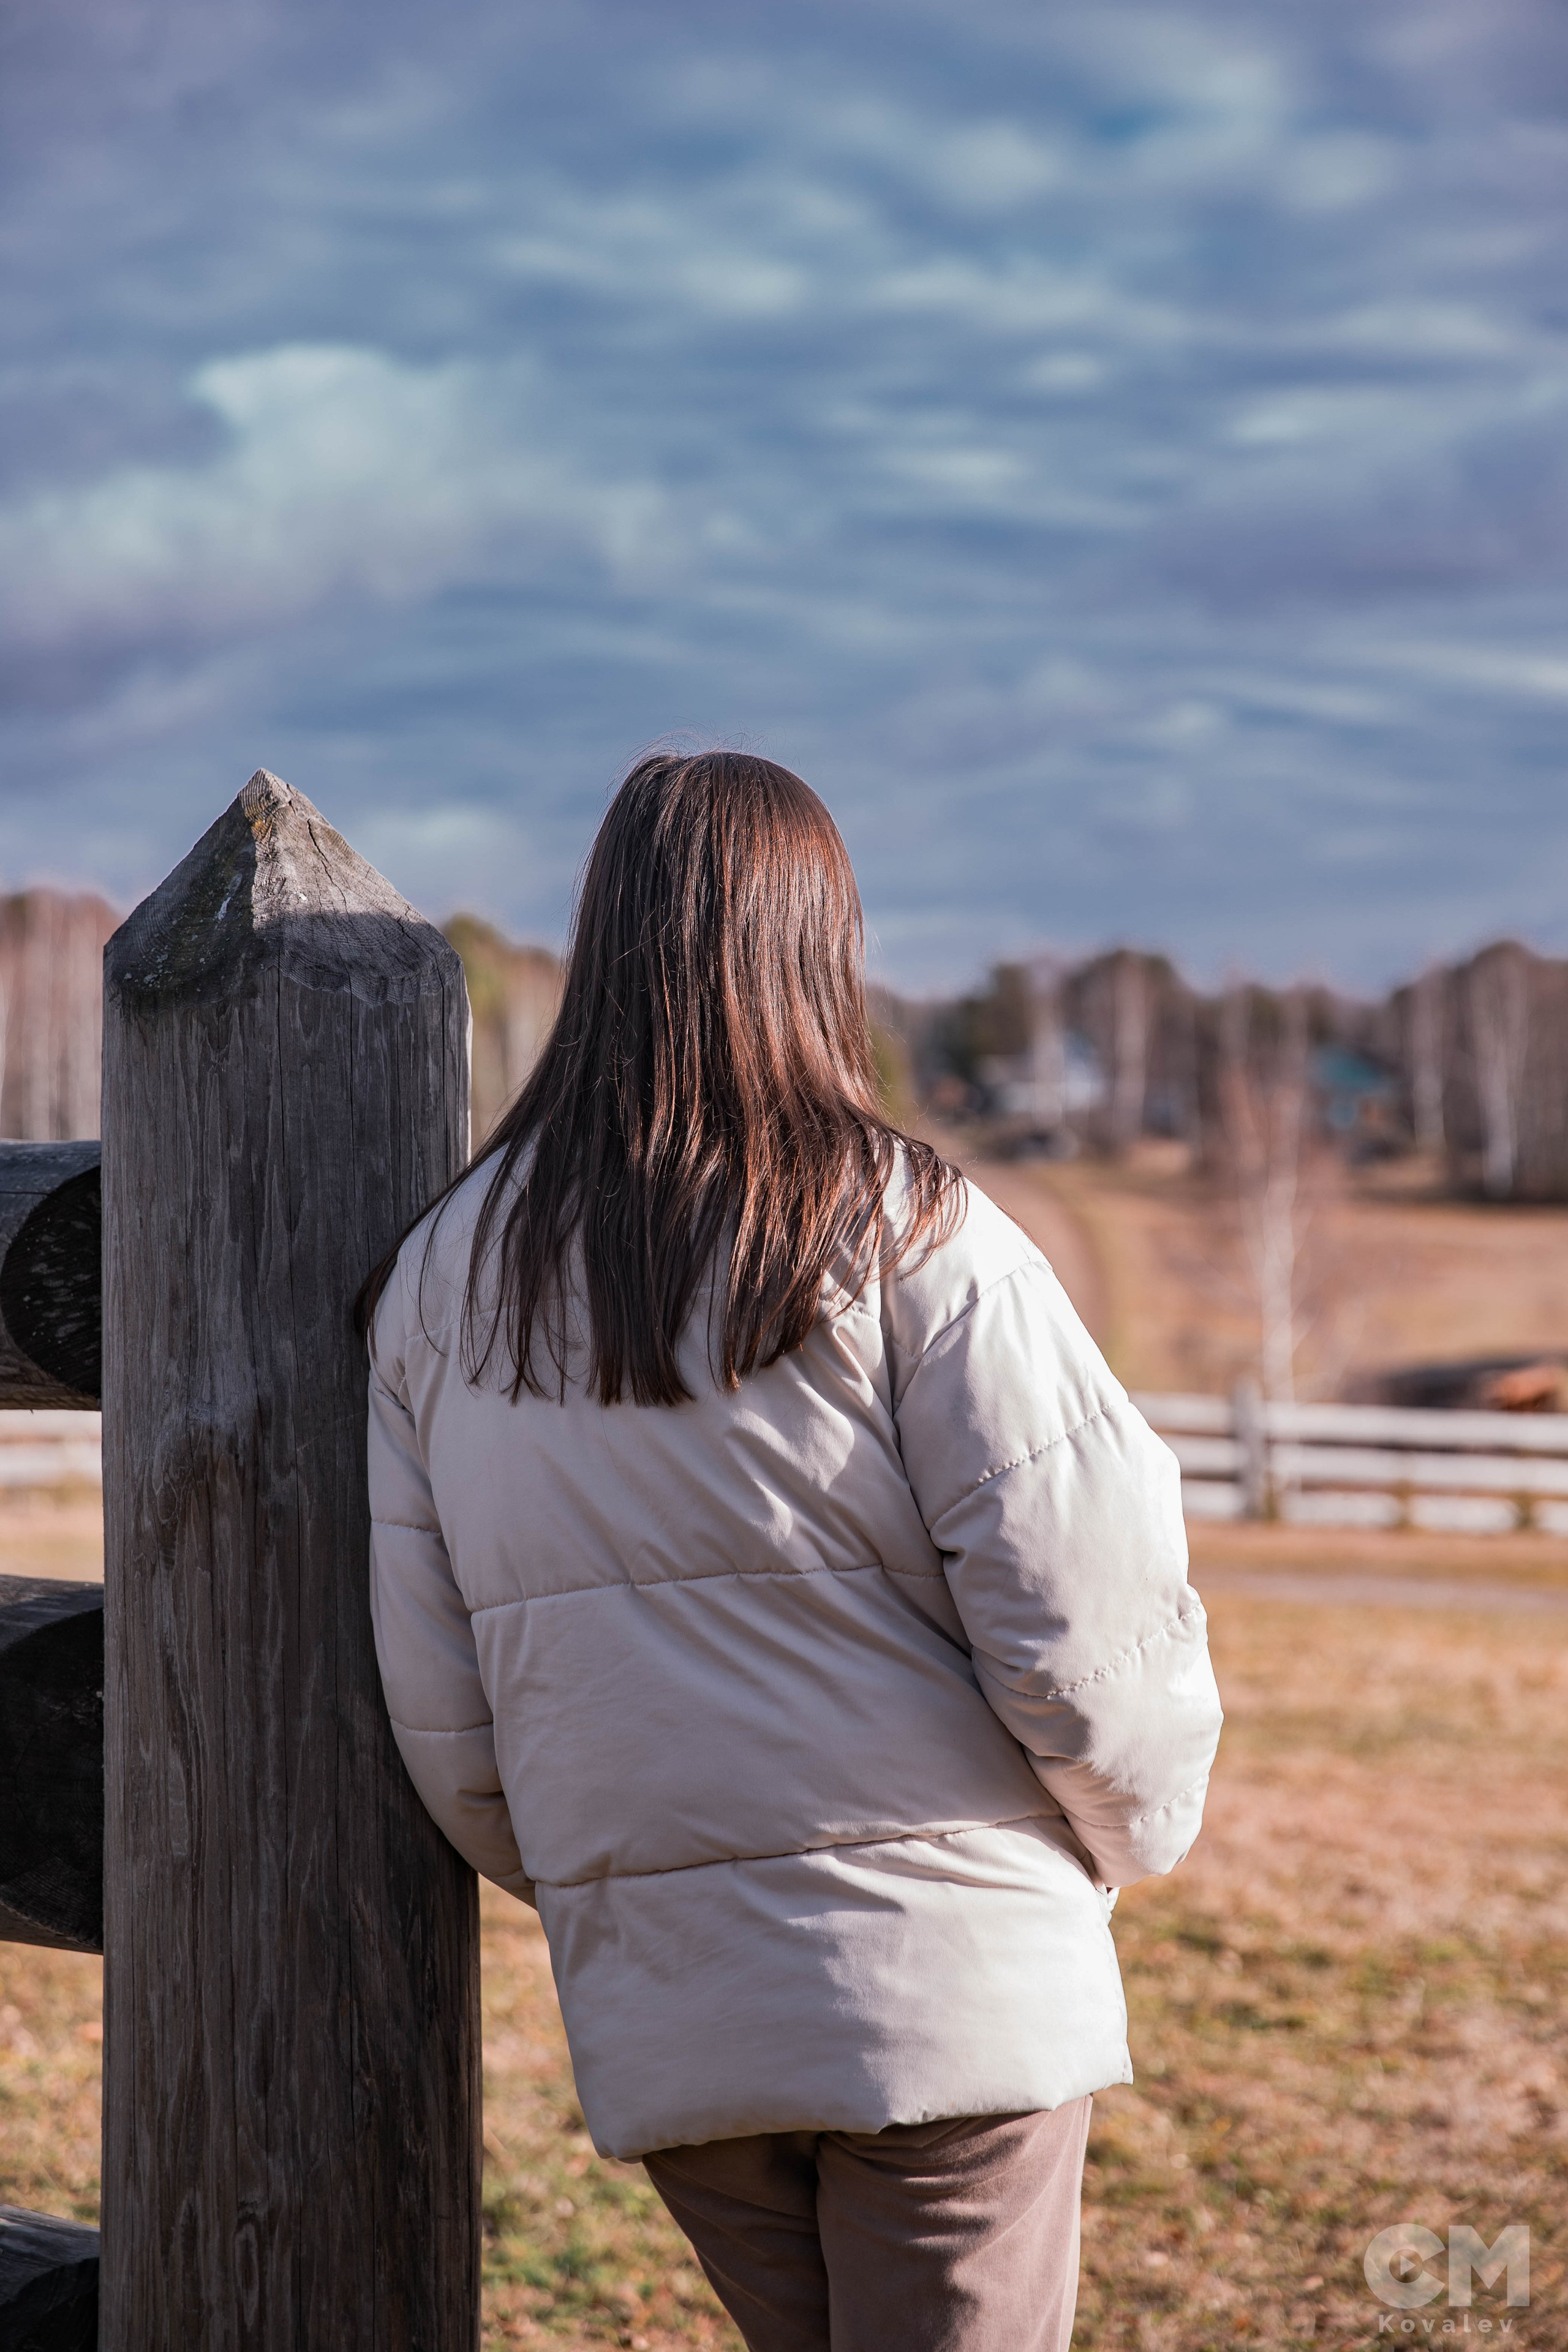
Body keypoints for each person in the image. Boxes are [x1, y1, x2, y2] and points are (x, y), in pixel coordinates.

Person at [362, 750, 1223, 2352]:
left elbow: (449, 1719)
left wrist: (626, 1895)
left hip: (682, 2028)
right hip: (955, 1995)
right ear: (821, 944)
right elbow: (1086, 1619)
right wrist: (1133, 1833)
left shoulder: (439, 1287)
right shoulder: (912, 1232)